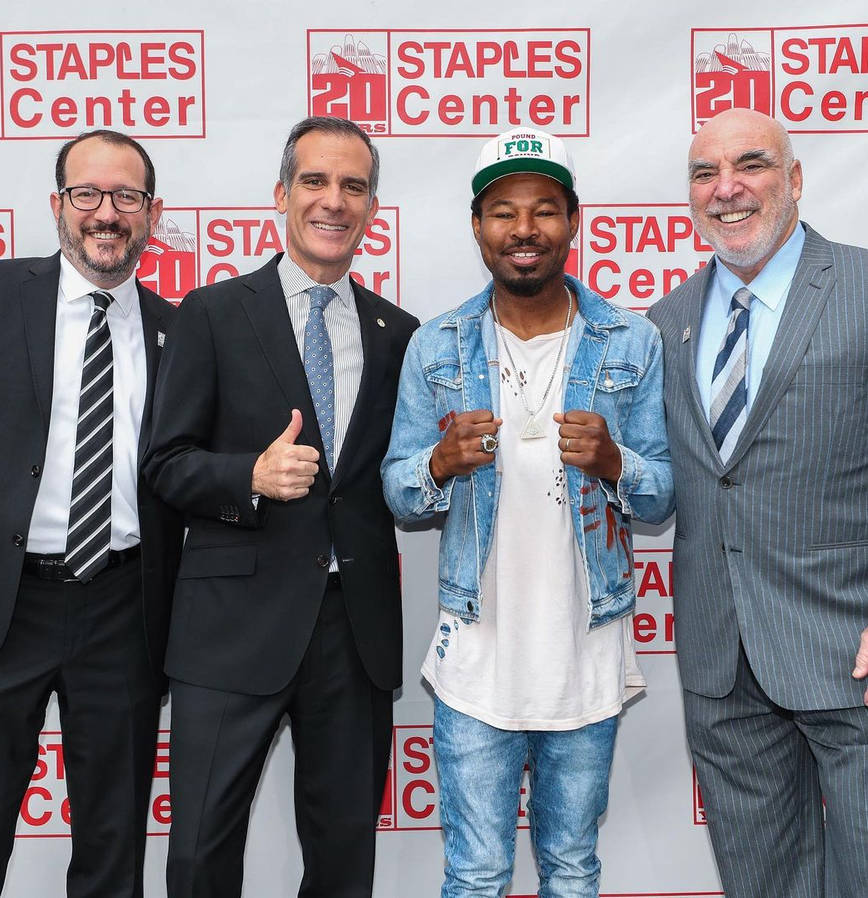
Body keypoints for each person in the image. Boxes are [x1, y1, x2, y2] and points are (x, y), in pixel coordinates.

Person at [381, 128, 673, 898]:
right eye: (504, 211)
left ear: (573, 221)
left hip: (586, 652)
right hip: (477, 656)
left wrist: (616, 463)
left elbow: (663, 493)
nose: (524, 229)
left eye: (544, 210)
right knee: (475, 875)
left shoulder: (630, 340)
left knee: (573, 870)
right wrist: (439, 465)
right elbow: (399, 491)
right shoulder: (435, 345)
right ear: (477, 227)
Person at [143, 116, 419, 898]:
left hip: (353, 632)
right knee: (199, 853)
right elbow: (165, 465)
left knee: (342, 862)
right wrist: (250, 477)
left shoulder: (399, 333)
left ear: (371, 207)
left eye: (354, 186)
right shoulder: (213, 312)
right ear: (281, 195)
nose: (334, 201)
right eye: (316, 182)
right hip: (230, 627)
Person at [648, 107, 868, 898]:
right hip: (722, 663)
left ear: (796, 179)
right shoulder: (666, 323)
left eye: (751, 165)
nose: (727, 188)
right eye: (705, 173)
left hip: (851, 650)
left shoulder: (862, 287)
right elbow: (670, 488)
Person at [0, 129, 183, 897]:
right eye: (87, 195)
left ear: (151, 215)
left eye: (126, 197)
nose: (106, 214)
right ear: (58, 206)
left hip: (122, 608)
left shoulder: (182, 331)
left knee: (111, 847)